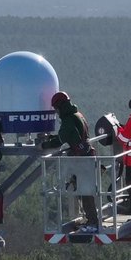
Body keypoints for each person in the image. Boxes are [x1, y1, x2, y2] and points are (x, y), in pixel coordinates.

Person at [41, 91, 100, 233]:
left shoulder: (68, 120)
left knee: (85, 191)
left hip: (81, 159)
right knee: (83, 189)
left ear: (60, 106)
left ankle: (93, 223)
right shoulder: (77, 115)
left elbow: (65, 137)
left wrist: (45, 144)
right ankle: (90, 219)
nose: (56, 112)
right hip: (86, 156)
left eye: (56, 108)